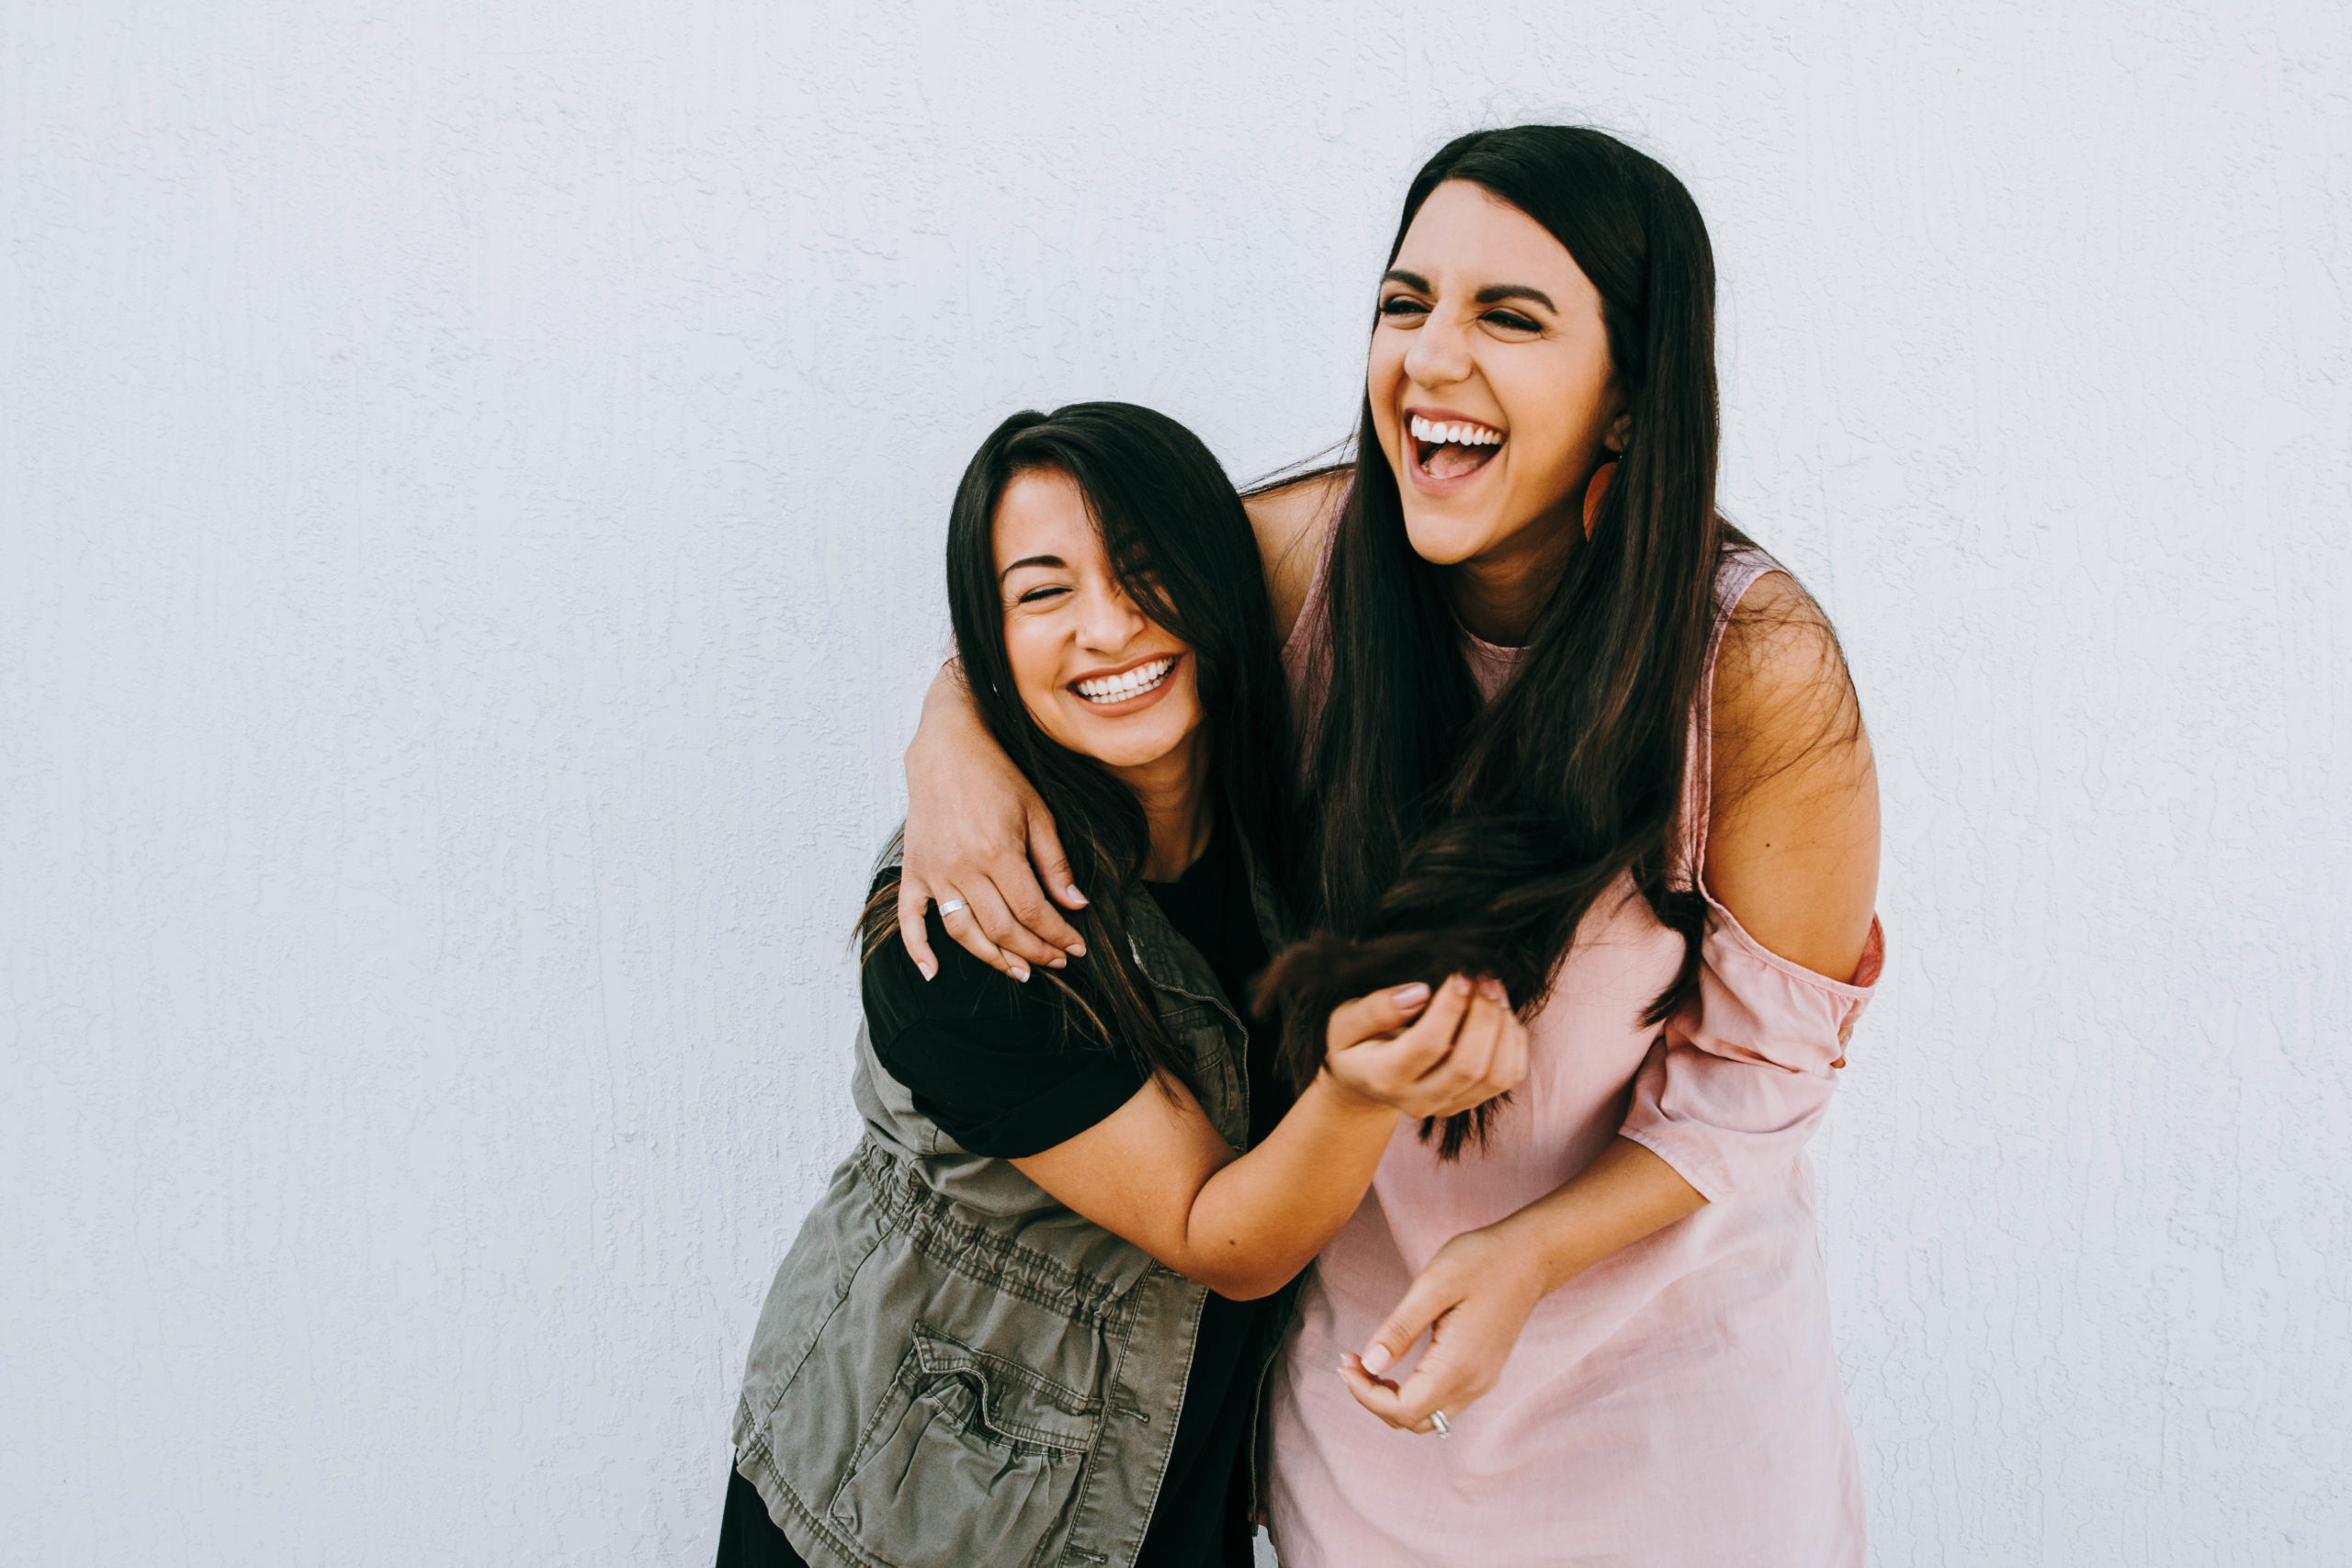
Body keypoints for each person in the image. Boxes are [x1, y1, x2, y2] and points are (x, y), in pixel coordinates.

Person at [896, 129, 1885, 1565]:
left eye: (1510, 315)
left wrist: (1527, 1253)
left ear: (1629, 396)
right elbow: (1074, 624)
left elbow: (1761, 1074)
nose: (1430, 357)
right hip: (1368, 1410)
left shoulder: (1755, 664)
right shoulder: (1308, 557)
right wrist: (951, 743)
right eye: (1405, 302)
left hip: (1676, 1410)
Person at [718, 402, 1527, 1568]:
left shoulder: (1286, 807)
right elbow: (1222, 1237)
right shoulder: (971, 933)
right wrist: (1362, 1090)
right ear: (988, 640)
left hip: (1160, 1504)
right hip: (914, 1523)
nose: (1109, 626)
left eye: (1148, 572)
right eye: (1043, 594)